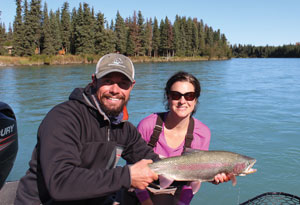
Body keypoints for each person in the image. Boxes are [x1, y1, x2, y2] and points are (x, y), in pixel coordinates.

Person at [15, 53, 159, 204]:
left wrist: (183, 171)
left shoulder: (124, 129)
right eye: (108, 81)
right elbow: (60, 183)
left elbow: (155, 163)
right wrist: (127, 176)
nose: (115, 90)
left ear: (132, 86)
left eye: (123, 83)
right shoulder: (64, 118)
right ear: (94, 81)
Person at [121, 71, 231, 205]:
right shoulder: (148, 125)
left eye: (189, 96)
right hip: (140, 191)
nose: (182, 101)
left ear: (195, 100)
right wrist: (147, 203)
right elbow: (133, 168)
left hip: (175, 193)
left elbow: (193, 182)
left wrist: (211, 177)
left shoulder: (202, 133)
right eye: (176, 95)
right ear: (168, 97)